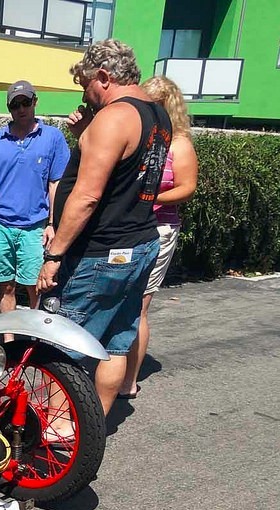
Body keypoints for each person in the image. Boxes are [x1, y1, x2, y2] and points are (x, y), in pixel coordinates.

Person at [36, 39, 172, 417]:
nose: (86, 95)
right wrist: (86, 134)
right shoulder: (158, 116)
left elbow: (87, 197)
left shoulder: (113, 118)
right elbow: (125, 172)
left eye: (86, 86)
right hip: (141, 243)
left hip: (100, 252)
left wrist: (54, 255)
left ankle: (57, 429)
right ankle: (93, 427)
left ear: (104, 76)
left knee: (63, 346)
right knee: (114, 343)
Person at [118, 75, 198, 399]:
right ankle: (113, 369)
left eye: (153, 105)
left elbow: (187, 187)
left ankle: (129, 380)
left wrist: (151, 198)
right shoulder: (144, 138)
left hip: (159, 228)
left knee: (139, 305)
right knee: (119, 300)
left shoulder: (178, 143)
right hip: (128, 227)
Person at [0, 80, 70, 313]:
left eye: (25, 102)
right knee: (5, 287)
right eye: (15, 105)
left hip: (35, 226)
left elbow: (56, 184)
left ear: (35, 102)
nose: (21, 109)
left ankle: (34, 334)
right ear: (9, 108)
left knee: (37, 286)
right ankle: (9, 334)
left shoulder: (53, 138)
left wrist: (53, 224)